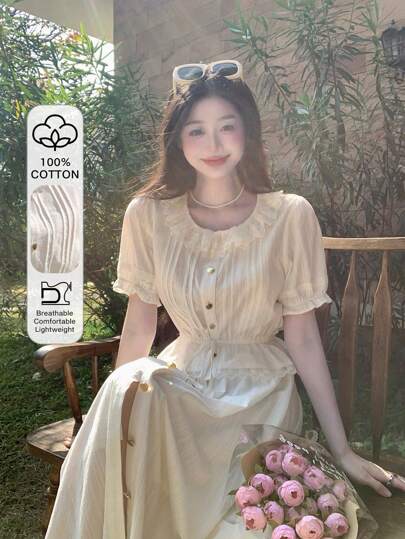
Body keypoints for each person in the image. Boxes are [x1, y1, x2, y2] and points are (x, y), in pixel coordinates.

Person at [44, 60, 405, 539]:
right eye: (196, 130)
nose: (212, 144)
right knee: (137, 382)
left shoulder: (289, 216)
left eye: (226, 127)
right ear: (177, 139)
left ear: (247, 132)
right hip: (179, 396)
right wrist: (104, 424)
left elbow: (303, 339)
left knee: (249, 519)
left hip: (259, 402)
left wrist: (341, 450)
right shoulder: (147, 216)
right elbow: (138, 327)